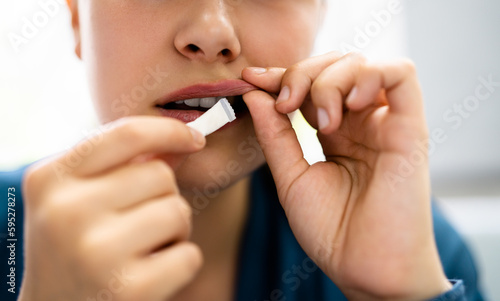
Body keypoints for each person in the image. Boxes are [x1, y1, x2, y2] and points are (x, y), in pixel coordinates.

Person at [0, 0, 485, 300]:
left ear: (319, 14)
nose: (212, 34)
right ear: (76, 18)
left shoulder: (419, 247)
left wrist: (401, 296)